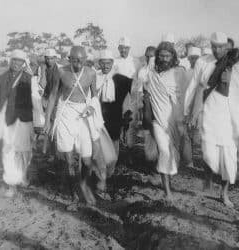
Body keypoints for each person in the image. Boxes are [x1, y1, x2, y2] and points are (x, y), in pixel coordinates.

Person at [43, 46, 103, 208]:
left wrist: (92, 107)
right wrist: (48, 120)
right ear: (69, 59)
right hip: (65, 114)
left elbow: (95, 96)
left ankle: (84, 185)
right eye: (74, 60)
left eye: (81, 60)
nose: (78, 64)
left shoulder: (91, 73)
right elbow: (54, 95)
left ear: (85, 59)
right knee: (69, 161)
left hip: (83, 114)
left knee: (87, 160)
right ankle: (73, 196)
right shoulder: (61, 72)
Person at [184, 32, 236, 207]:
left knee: (228, 156)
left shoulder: (234, 64)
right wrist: (188, 111)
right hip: (208, 112)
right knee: (209, 153)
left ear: (227, 47)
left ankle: (224, 193)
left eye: (220, 47)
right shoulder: (202, 62)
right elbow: (194, 87)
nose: (217, 50)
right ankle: (208, 181)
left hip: (230, 115)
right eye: (214, 46)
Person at [143, 42, 187, 200]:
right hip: (158, 121)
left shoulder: (179, 74)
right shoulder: (150, 74)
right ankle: (167, 191)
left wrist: (182, 120)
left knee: (174, 155)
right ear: (157, 57)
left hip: (175, 121)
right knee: (164, 152)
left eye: (167, 56)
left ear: (173, 57)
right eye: (161, 56)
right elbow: (144, 94)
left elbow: (183, 98)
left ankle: (167, 179)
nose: (164, 59)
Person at [0, 49, 34, 198]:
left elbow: (35, 101)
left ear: (23, 63)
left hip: (24, 119)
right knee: (8, 152)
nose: (17, 63)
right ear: (10, 60)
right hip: (7, 120)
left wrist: (39, 122)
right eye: (14, 60)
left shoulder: (29, 78)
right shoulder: (1, 78)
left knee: (24, 151)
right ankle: (11, 184)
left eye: (20, 61)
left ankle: (22, 176)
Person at [96, 50, 133, 155]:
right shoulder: (95, 76)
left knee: (113, 145)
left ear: (112, 63)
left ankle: (110, 169)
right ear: (99, 63)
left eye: (108, 63)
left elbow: (134, 92)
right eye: (103, 63)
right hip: (98, 115)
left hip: (114, 117)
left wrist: (128, 111)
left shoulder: (120, 79)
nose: (105, 66)